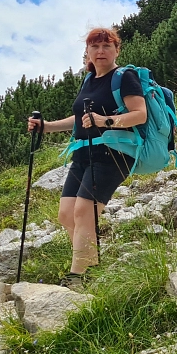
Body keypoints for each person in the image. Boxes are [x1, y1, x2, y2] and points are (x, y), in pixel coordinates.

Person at [28, 27, 147, 288]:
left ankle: (77, 276)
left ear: (117, 50)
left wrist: (105, 121)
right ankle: (91, 267)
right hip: (83, 154)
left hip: (113, 154)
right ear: (88, 52)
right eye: (95, 46)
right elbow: (79, 119)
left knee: (84, 211)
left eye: (106, 46)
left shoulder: (124, 77)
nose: (100, 51)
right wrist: (46, 127)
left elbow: (140, 114)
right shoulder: (89, 80)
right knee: (66, 215)